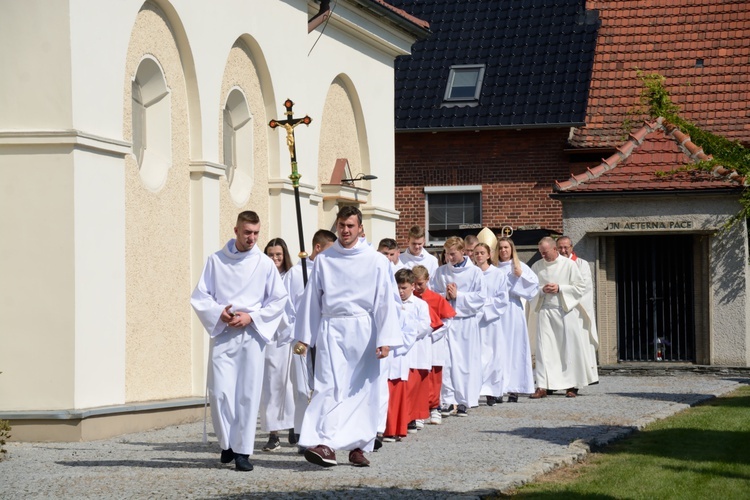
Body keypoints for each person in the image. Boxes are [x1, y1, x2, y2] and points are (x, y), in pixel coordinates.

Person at [292, 206, 401, 468]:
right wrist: (304, 337)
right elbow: (312, 301)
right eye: (341, 225)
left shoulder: (376, 261)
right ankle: (324, 443)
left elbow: (386, 301)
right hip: (332, 328)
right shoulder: (324, 260)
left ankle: (358, 446)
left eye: (351, 225)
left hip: (364, 329)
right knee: (328, 385)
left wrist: (385, 339)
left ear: (360, 228)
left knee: (362, 390)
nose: (346, 230)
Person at [190, 211, 289, 472]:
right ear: (236, 230)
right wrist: (218, 313)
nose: (252, 238)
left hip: (252, 335)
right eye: (247, 233)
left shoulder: (264, 264)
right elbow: (200, 296)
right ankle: (227, 444)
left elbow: (279, 300)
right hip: (224, 333)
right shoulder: (216, 261)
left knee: (247, 393)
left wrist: (252, 317)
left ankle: (243, 451)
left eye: (256, 233)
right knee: (221, 392)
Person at [284, 229, 337, 451]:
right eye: (329, 250)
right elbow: (286, 307)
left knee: (323, 387)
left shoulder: (330, 271)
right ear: (318, 248)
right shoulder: (296, 275)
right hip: (301, 338)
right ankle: (301, 434)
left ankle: (321, 433)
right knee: (302, 389)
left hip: (323, 336)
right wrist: (299, 333)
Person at [528, 237, 598, 399]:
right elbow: (530, 289)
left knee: (568, 350)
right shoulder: (536, 266)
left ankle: (571, 386)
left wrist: (560, 288)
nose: (543, 256)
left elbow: (580, 287)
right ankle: (543, 385)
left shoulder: (569, 265)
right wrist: (541, 290)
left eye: (545, 252)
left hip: (565, 312)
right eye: (541, 253)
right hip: (545, 312)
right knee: (545, 350)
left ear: (554, 249)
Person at [431, 236, 486, 416]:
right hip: (447, 323)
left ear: (463, 252)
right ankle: (447, 400)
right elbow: (432, 295)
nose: (449, 258)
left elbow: (480, 298)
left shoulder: (475, 272)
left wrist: (459, 296)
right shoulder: (440, 272)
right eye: (447, 254)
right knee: (446, 362)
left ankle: (464, 401)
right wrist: (445, 296)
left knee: (464, 363)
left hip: (465, 322)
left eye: (453, 254)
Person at [383, 268, 432, 441]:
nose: (401, 291)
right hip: (393, 353)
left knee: (405, 391)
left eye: (404, 288)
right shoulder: (390, 304)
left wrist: (401, 339)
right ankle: (389, 427)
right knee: (390, 390)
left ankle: (402, 424)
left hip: (410, 350)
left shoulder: (420, 304)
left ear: (412, 287)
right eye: (398, 287)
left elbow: (424, 326)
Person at [259, 238, 297, 452]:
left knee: (290, 384)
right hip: (269, 338)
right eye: (270, 255)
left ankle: (293, 423)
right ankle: (274, 433)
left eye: (278, 256)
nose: (274, 259)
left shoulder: (290, 276)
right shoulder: (260, 278)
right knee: (271, 385)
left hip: (288, 336)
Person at [495, 237, 538, 402]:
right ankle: (498, 388)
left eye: (506, 247)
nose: (503, 251)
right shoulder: (494, 268)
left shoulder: (520, 267)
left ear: (512, 249)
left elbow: (533, 289)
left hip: (513, 310)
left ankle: (515, 388)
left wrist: (520, 277)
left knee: (515, 348)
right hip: (498, 313)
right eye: (500, 248)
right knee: (500, 349)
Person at [412, 265, 456, 425]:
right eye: (414, 284)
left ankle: (434, 407)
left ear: (427, 280)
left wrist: (432, 335)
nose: (417, 287)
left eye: (420, 284)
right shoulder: (411, 298)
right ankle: (418, 411)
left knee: (435, 377)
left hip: (434, 342)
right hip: (417, 343)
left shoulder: (436, 298)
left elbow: (448, 319)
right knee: (418, 377)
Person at [556, 236, 599, 380]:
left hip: (577, 311)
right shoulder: (554, 265)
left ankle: (578, 379)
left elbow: (584, 289)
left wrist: (562, 292)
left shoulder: (582, 264)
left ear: (571, 247)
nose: (563, 251)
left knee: (577, 347)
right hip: (557, 312)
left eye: (565, 247)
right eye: (560, 248)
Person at [474, 243, 509, 406]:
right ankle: (474, 390)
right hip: (474, 321)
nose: (479, 256)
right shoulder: (472, 273)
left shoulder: (498, 274)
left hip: (491, 321)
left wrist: (482, 304)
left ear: (488, 255)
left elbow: (502, 300)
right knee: (476, 356)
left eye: (482, 253)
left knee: (493, 356)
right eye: (476, 253)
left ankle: (491, 392)